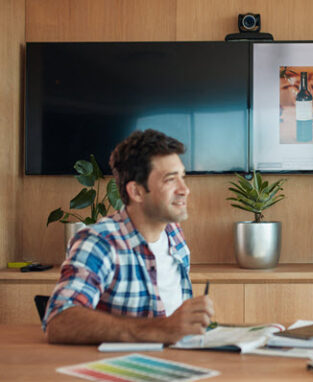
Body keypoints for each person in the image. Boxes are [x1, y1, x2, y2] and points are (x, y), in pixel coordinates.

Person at [43, 129, 214, 344]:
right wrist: (161, 329)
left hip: (179, 361)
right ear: (137, 192)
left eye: (182, 177)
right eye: (171, 180)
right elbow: (60, 321)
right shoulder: (99, 242)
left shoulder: (173, 232)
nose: (185, 189)